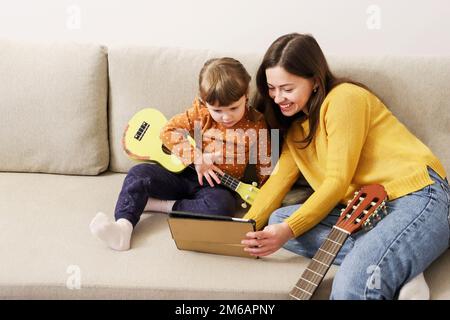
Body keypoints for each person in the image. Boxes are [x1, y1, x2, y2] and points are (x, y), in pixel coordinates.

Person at [241, 33, 450, 300]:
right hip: (366, 212)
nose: (277, 97)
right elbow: (277, 184)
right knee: (278, 220)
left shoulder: (344, 98)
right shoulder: (296, 132)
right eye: (271, 88)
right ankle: (402, 262)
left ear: (315, 82)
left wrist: (288, 231)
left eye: (287, 88)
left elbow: (337, 181)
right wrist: (242, 228)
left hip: (417, 195)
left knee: (351, 282)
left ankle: (395, 254)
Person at [90, 57, 272, 251]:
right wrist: (197, 157)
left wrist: (266, 195)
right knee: (138, 174)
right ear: (205, 102)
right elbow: (167, 131)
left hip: (218, 186)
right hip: (183, 172)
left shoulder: (256, 123)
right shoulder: (200, 112)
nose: (226, 116)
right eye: (217, 110)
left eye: (234, 108)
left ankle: (160, 205)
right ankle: (123, 228)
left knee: (223, 208)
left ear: (246, 95)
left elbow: (266, 163)